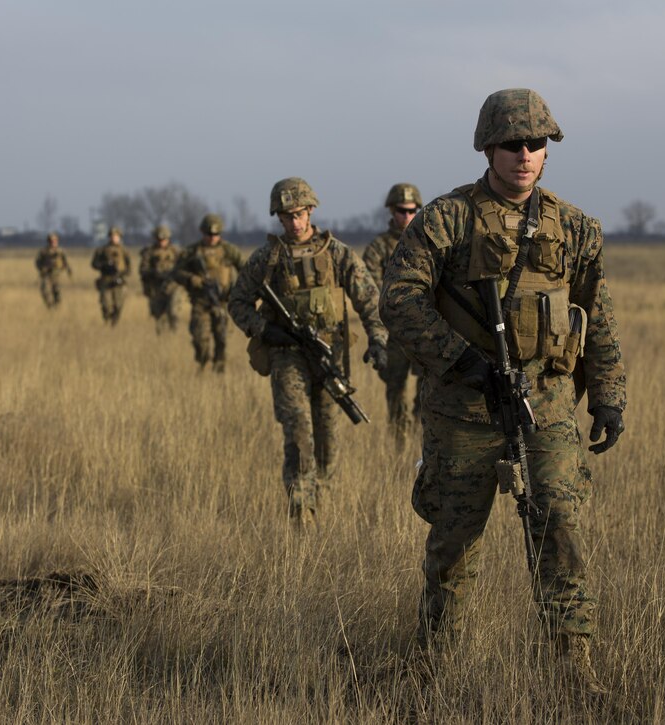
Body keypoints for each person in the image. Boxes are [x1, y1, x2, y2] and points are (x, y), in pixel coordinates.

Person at [379, 88, 626, 696]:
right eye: (512, 143)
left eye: (535, 143)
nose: (524, 154)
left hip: (544, 404)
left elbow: (598, 315)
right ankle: (432, 671)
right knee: (454, 546)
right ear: (487, 147)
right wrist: (461, 361)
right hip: (464, 409)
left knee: (560, 531)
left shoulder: (574, 227)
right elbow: (400, 299)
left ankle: (575, 673)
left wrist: (608, 396)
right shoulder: (447, 218)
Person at [228, 177, 389, 527]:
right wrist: (264, 329)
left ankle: (322, 503)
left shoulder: (336, 253)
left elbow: (369, 300)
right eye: (286, 217)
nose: (294, 223)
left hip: (330, 357)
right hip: (287, 357)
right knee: (299, 434)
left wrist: (378, 339)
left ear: (311, 210)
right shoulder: (267, 259)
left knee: (327, 440)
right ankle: (302, 515)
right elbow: (238, 302)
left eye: (299, 214)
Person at [362, 183, 425, 439]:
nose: (407, 216)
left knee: (428, 388)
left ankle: (422, 438)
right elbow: (368, 287)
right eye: (401, 210)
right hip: (394, 333)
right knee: (395, 388)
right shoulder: (378, 248)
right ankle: (398, 440)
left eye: (412, 210)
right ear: (391, 210)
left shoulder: (427, 242)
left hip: (424, 330)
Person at [172, 213, 244, 373]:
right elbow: (176, 272)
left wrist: (237, 290)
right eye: (208, 234)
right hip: (201, 302)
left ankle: (219, 368)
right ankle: (202, 363)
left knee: (222, 338)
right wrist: (192, 279)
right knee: (200, 337)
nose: (212, 238)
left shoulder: (229, 250)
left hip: (223, 302)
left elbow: (245, 271)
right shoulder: (191, 251)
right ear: (202, 232)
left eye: (215, 234)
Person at [139, 224, 180, 333]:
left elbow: (182, 268)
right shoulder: (149, 252)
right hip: (156, 288)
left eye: (164, 239)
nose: (162, 242)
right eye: (159, 239)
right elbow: (143, 269)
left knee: (173, 310)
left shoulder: (175, 251)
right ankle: (162, 338)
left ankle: (174, 332)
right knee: (159, 315)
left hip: (172, 287)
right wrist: (154, 273)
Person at [90, 226, 132, 326]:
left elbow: (129, 268)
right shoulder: (102, 250)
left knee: (118, 305)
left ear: (120, 237)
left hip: (119, 281)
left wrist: (121, 273)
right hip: (106, 280)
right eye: (112, 236)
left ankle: (114, 323)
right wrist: (104, 266)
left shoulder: (124, 251)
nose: (114, 238)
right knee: (106, 304)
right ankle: (107, 321)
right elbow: (94, 264)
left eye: (116, 236)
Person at [34, 232, 72, 309]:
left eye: (55, 240)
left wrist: (68, 270)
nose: (53, 242)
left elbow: (66, 262)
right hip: (46, 275)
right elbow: (37, 262)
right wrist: (41, 269)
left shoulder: (60, 251)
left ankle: (56, 308)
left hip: (57, 275)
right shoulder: (43, 251)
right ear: (48, 241)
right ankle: (50, 306)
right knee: (45, 291)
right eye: (51, 240)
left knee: (57, 293)